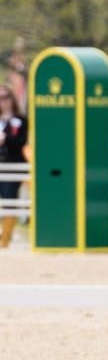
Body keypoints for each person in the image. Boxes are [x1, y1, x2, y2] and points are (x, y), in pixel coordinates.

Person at [0, 83, 28, 248]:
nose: (3, 101)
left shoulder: (21, 120)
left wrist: (6, 139)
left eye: (5, 97)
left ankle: (5, 240)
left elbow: (20, 142)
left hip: (12, 164)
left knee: (10, 200)